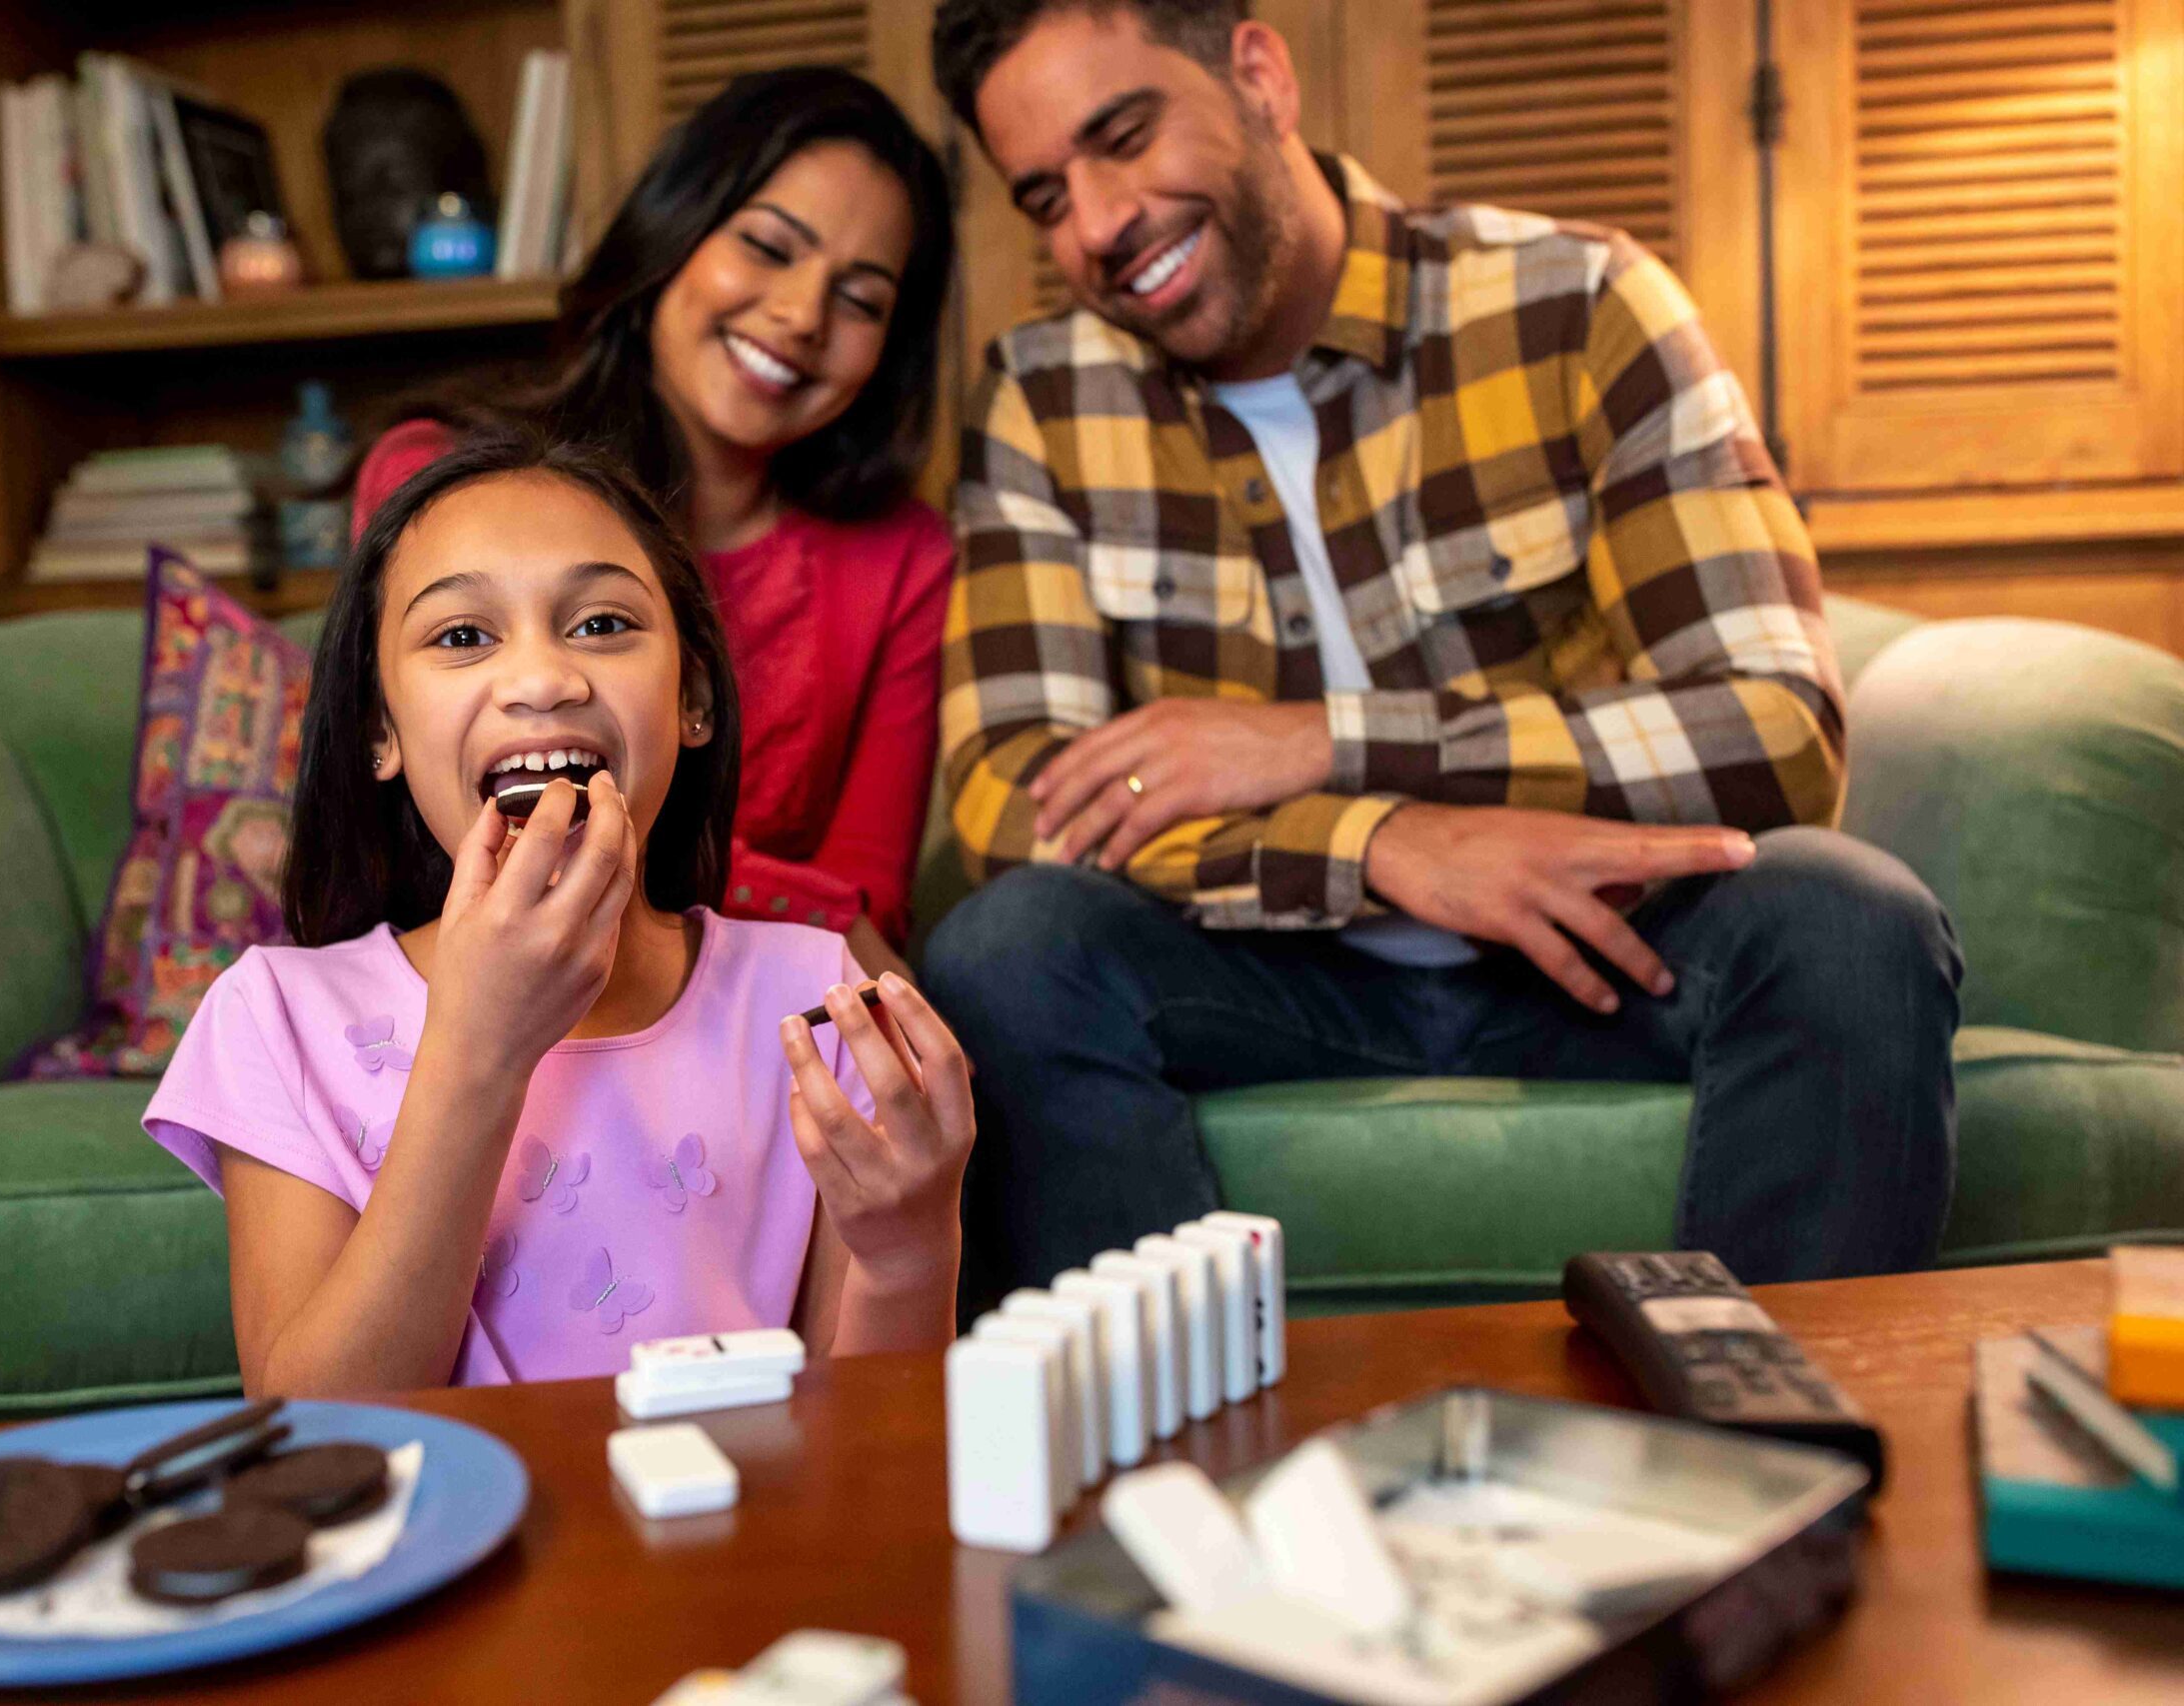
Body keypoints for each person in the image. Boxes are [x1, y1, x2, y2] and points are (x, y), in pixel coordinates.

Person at [922, 0, 1962, 1299]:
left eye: (1123, 136)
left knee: (1849, 918)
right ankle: (1165, 1480)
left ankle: (1772, 1461)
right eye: (1044, 196)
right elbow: (1015, 791)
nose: (1095, 223)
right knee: (1004, 947)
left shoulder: (1577, 303)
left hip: (1599, 951)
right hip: (1268, 971)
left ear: (1257, 72)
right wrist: (1380, 845)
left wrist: (1325, 744)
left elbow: (1778, 727)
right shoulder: (1041, 395)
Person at [145, 423, 975, 1391]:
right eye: (462, 636)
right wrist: (479, 1046)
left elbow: (874, 1456)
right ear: (380, 728)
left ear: (693, 698)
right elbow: (318, 1426)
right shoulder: (278, 1016)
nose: (544, 680)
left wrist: (910, 1251)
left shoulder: (816, 998)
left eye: (601, 625)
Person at [354, 67, 957, 981]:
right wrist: (802, 907)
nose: (801, 316)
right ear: (672, 232)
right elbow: (432, 832)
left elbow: (867, 906)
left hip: (753, 1009)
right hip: (468, 979)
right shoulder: (436, 482)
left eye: (861, 299)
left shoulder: (902, 556)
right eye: (765, 245)